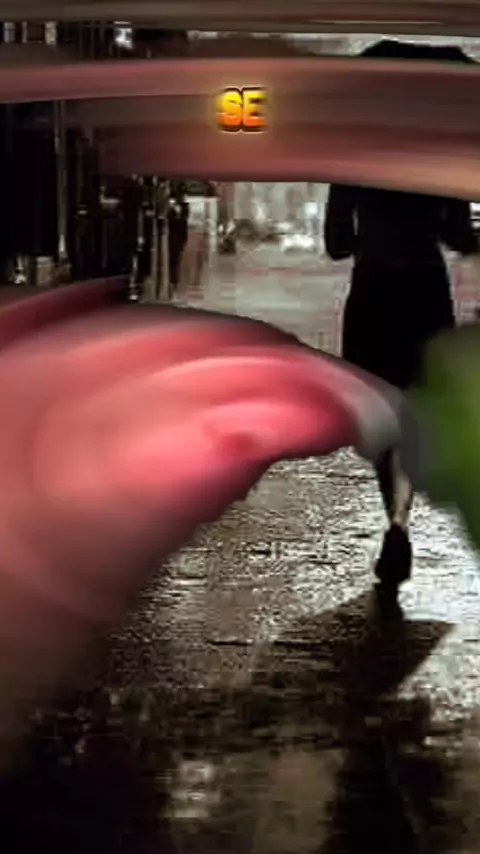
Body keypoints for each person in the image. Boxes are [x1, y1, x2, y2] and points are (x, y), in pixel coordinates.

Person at [324, 42, 480, 592]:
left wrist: (369, 232)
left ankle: (394, 519)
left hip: (374, 291)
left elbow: (336, 243)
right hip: (424, 292)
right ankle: (399, 521)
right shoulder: (439, 157)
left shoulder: (352, 158)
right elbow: (459, 235)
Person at [167, 182, 189, 294]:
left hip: (179, 235)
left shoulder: (184, 206)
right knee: (173, 259)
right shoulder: (171, 207)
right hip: (173, 235)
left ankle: (174, 280)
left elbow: (184, 220)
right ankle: (172, 280)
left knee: (175, 259)